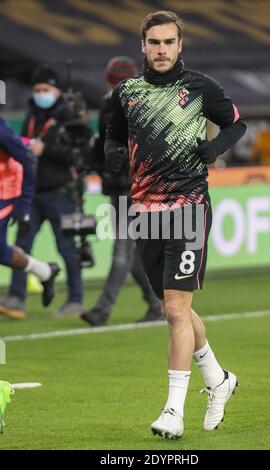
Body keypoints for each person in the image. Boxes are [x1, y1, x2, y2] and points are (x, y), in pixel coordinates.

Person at [105, 11, 247, 438]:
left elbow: (237, 123)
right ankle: (218, 380)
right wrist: (112, 153)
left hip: (188, 207)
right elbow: (112, 134)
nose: (162, 49)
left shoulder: (201, 87)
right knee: (175, 310)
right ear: (143, 47)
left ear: (180, 46)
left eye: (169, 42)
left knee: (174, 310)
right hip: (143, 211)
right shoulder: (126, 92)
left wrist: (215, 146)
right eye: (154, 42)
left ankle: (173, 411)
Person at [81, 56, 163, 326]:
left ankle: (102, 310)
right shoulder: (135, 105)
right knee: (134, 253)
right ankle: (155, 303)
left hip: (133, 188)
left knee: (123, 249)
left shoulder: (113, 105)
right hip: (123, 187)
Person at [0, 65, 84, 319]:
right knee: (22, 242)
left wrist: (44, 150)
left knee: (67, 247)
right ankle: (16, 298)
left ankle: (75, 299)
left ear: (57, 90)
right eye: (37, 90)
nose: (40, 94)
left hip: (60, 191)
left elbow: (76, 155)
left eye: (45, 89)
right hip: (33, 191)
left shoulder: (69, 117)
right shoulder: (32, 115)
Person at [0, 116, 60, 319]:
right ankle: (45, 271)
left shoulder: (2, 131)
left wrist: (24, 206)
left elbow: (26, 159)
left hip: (3, 196)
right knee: (2, 254)